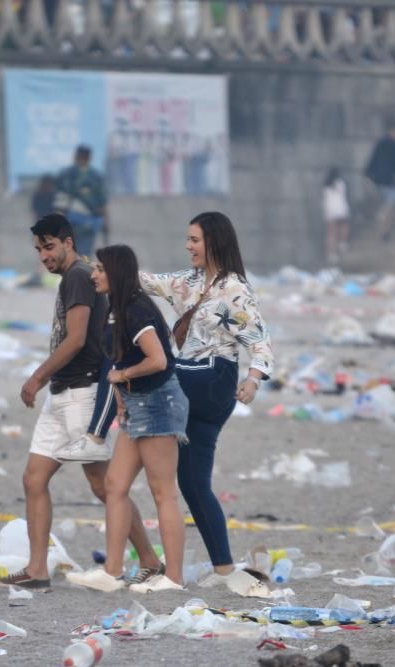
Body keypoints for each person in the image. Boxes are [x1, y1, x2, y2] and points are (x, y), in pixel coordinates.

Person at [0, 214, 162, 592]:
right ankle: (36, 569)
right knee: (34, 478)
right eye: (38, 250)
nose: (44, 256)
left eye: (49, 247)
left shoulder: (78, 276)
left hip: (81, 393)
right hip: (62, 393)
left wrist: (37, 377)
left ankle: (150, 560)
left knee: (104, 485)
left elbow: (76, 338)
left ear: (68, 242)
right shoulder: (80, 275)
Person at [139, 212, 274, 590]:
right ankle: (225, 570)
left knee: (157, 375)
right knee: (193, 483)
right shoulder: (186, 282)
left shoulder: (235, 289)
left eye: (194, 240)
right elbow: (145, 281)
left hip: (214, 380)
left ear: (214, 242)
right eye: (187, 239)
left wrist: (253, 380)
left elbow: (260, 343)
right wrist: (94, 266)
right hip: (191, 382)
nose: (188, 246)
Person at [65, 245, 189, 594]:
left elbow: (159, 359)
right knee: (114, 487)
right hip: (137, 405)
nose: (94, 275)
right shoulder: (115, 310)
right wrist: (121, 396)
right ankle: (111, 572)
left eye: (101, 269)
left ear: (117, 272)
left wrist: (123, 377)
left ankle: (174, 578)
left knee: (163, 493)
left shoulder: (136, 310)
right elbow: (120, 359)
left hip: (159, 404)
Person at [55, 145, 108, 257]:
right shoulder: (67, 174)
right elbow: (60, 201)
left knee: (84, 252)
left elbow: (102, 202)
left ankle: (82, 273)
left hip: (88, 221)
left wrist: (105, 222)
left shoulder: (95, 176)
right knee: (69, 251)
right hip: (70, 220)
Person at [364, 119, 395, 242]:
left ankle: (383, 230)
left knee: (385, 205)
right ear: (393, 131)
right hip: (389, 181)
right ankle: (386, 232)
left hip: (377, 180)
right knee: (390, 206)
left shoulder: (380, 143)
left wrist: (367, 175)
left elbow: (373, 159)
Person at [322, 166, 351, 263]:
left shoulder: (326, 185)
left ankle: (331, 254)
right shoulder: (340, 183)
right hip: (340, 208)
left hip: (330, 210)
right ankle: (342, 244)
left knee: (331, 233)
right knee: (343, 227)